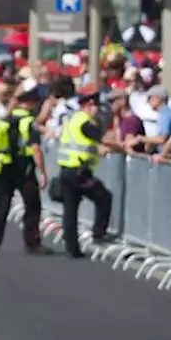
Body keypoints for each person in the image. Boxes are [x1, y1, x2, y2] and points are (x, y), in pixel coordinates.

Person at [0, 80, 49, 254]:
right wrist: (42, 172)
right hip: (24, 169)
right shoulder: (29, 122)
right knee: (32, 205)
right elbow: (35, 148)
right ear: (30, 103)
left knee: (3, 206)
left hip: (5, 167)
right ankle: (32, 243)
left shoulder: (7, 118)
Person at [57, 87, 114, 259]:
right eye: (95, 105)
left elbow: (83, 142)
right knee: (104, 197)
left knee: (70, 209)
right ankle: (98, 234)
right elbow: (101, 137)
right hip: (79, 172)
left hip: (67, 169)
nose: (97, 110)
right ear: (89, 105)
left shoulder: (71, 118)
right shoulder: (84, 121)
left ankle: (72, 248)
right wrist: (122, 146)